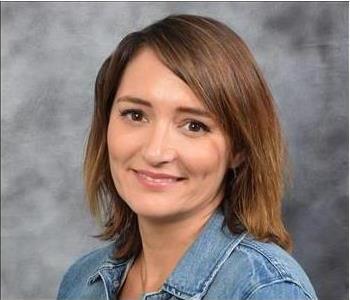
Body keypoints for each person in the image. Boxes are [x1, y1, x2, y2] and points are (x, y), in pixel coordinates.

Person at [57, 14, 317, 300]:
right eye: (135, 115)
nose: (155, 152)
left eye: (194, 126)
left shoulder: (265, 289)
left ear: (239, 150)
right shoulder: (82, 281)